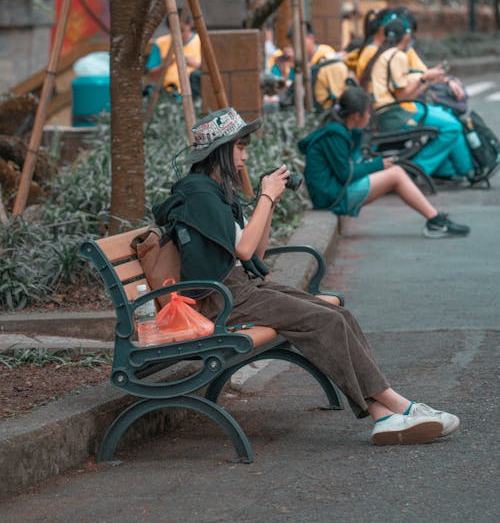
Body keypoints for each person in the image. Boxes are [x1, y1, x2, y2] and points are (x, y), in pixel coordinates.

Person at [152, 106, 460, 445]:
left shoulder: (216, 191)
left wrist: (268, 202)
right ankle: (399, 407)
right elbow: (241, 254)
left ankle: (385, 414)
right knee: (324, 321)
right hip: (222, 299)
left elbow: (255, 251)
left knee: (336, 314)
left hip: (240, 290)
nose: (245, 154)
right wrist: (266, 196)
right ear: (220, 150)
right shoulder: (198, 192)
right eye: (240, 146)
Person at [298, 87, 470, 238]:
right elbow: (346, 174)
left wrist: (358, 135)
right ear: (357, 115)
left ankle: (435, 219)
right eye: (368, 112)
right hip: (331, 197)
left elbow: (352, 162)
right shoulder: (334, 135)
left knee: (395, 172)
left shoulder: (341, 130)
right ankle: (436, 221)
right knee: (395, 174)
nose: (369, 116)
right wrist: (377, 165)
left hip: (333, 190)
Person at [360, 18, 475, 181]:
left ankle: (452, 169)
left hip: (396, 111)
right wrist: (423, 79)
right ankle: (418, 169)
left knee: (448, 119)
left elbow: (405, 94)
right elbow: (401, 96)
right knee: (452, 127)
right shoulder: (397, 56)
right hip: (395, 115)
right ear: (406, 36)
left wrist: (427, 81)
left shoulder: (387, 54)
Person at [146, 13, 202, 98]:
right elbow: (151, 73)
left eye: (182, 30)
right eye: (175, 31)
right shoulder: (160, 43)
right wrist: (163, 65)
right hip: (166, 94)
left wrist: (196, 65)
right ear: (169, 28)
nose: (179, 34)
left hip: (195, 93)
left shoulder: (201, 41)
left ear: (190, 24)